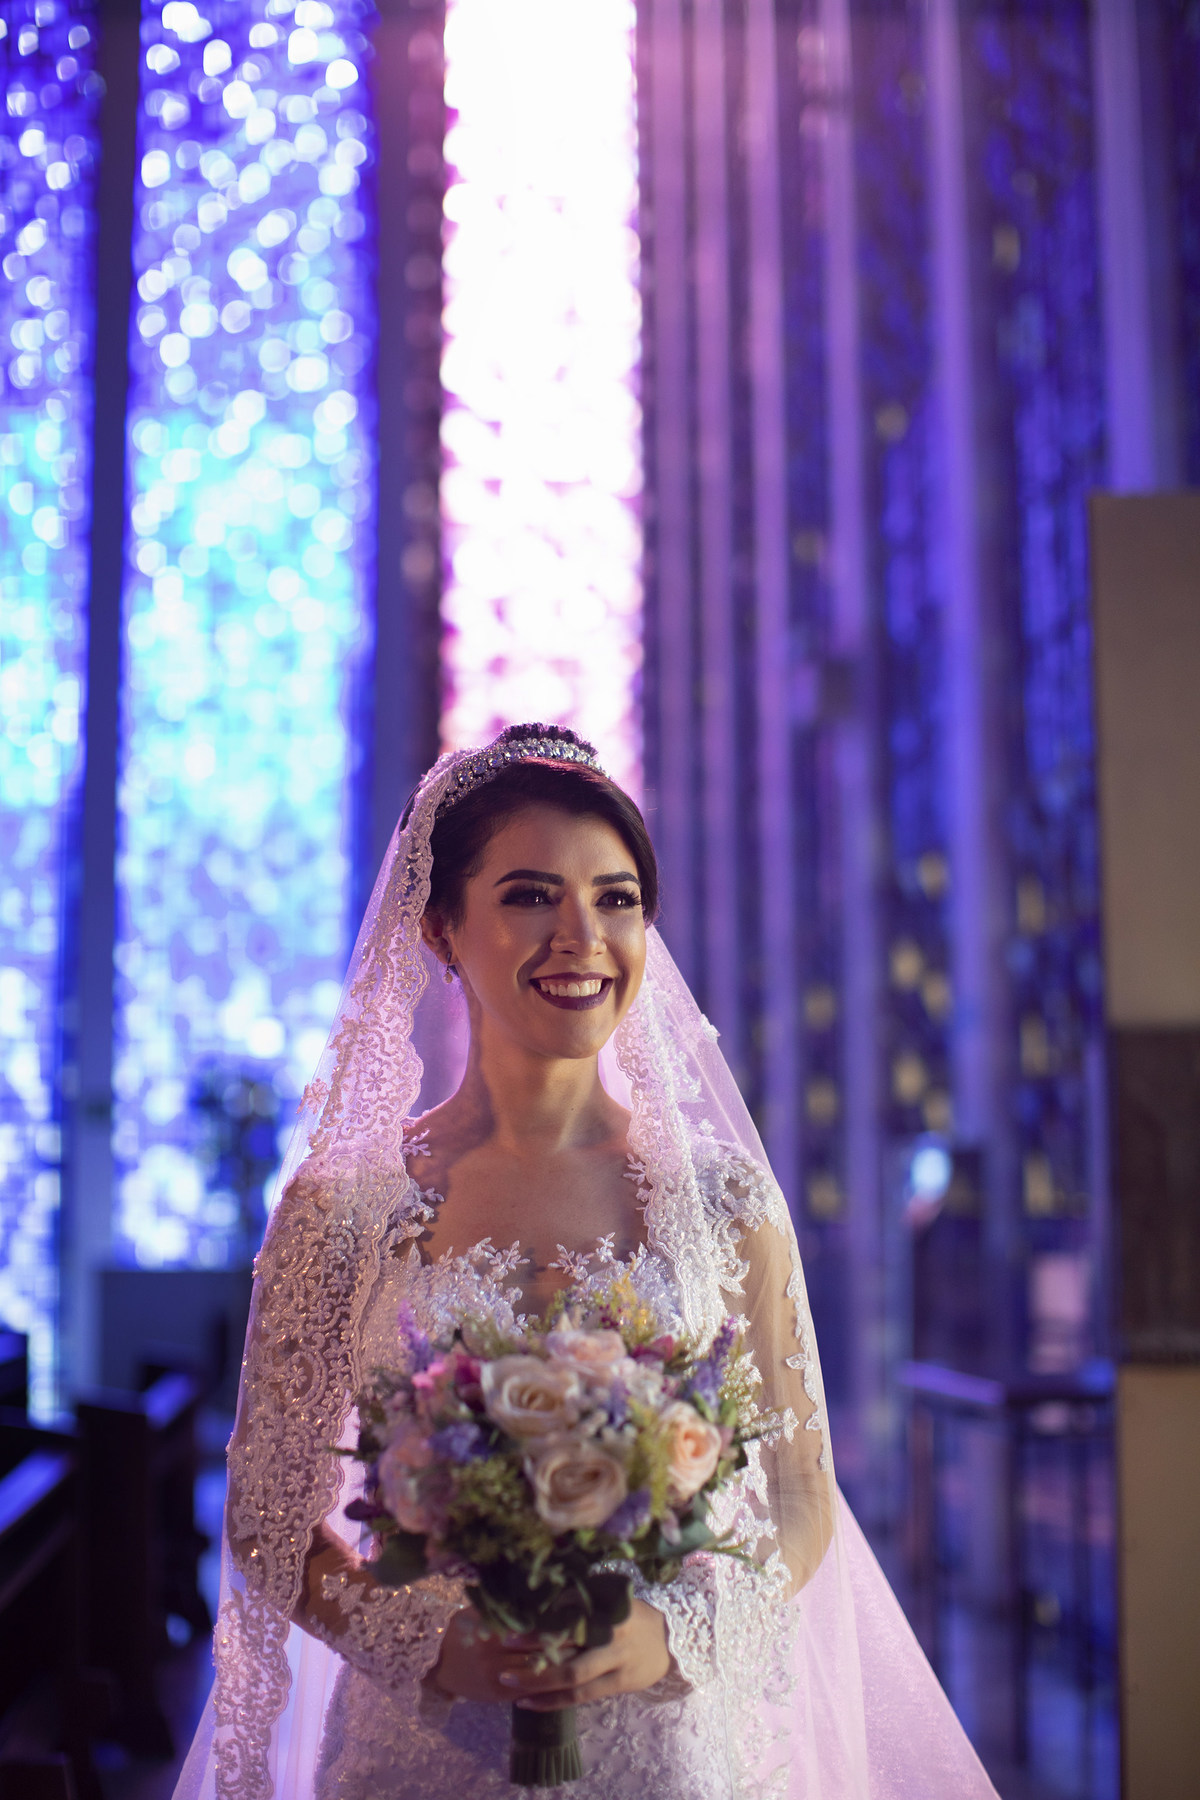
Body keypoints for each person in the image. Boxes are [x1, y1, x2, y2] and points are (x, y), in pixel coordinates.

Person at [175, 725, 998, 1800]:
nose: (582, 938)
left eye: (616, 899)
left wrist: (673, 1635)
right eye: (529, 896)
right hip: (419, 1752)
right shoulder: (342, 1212)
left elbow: (802, 1500)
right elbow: (269, 1514)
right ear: (439, 928)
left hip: (663, 1748)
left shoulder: (725, 1202)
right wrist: (426, 1642)